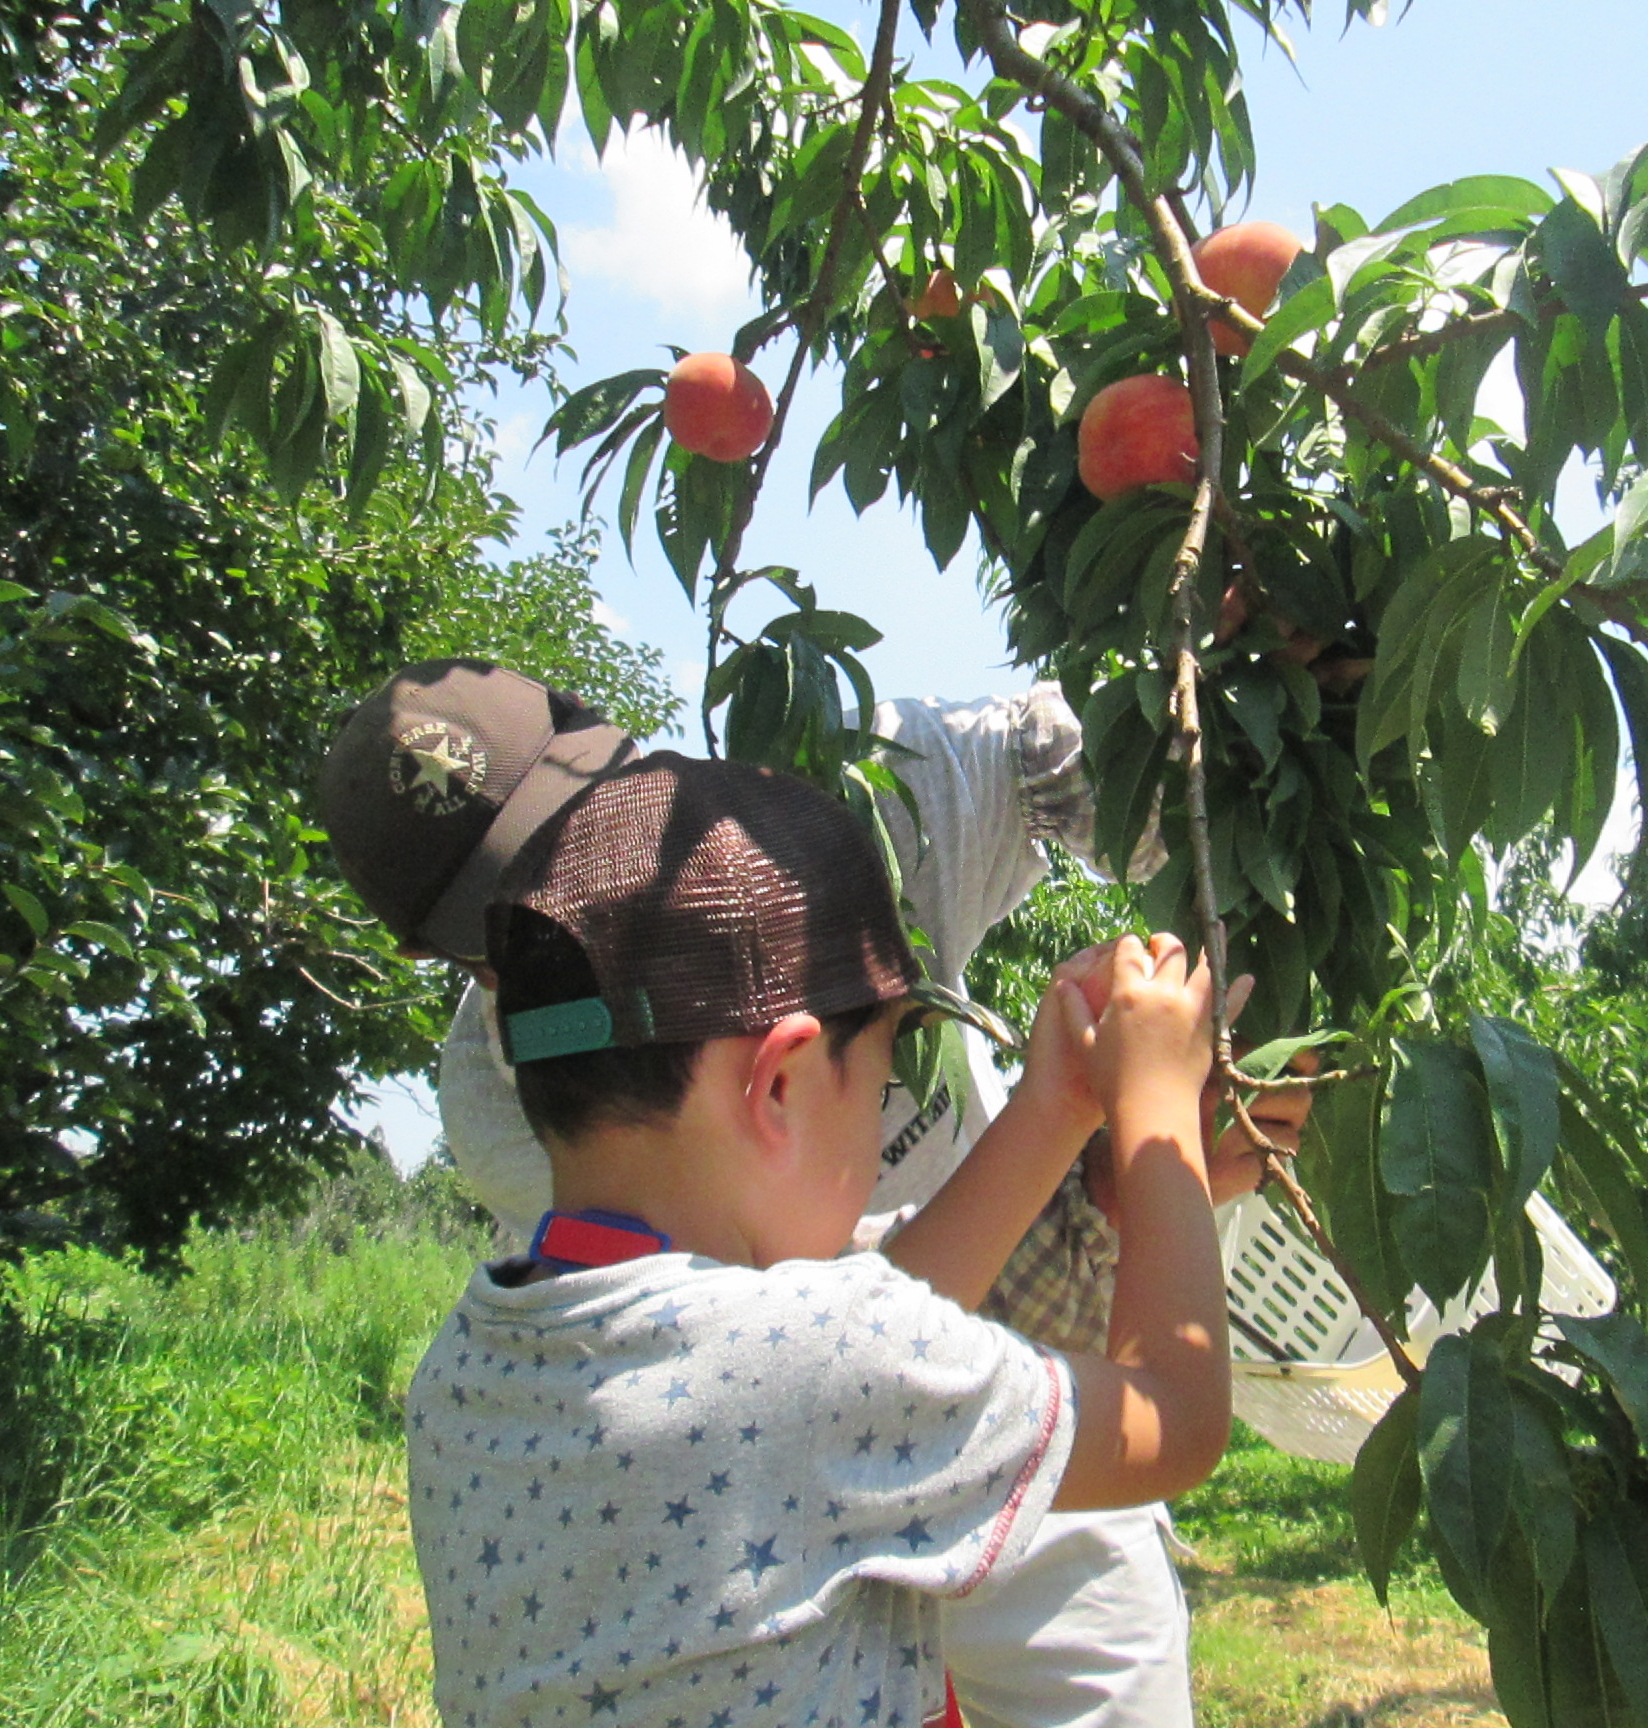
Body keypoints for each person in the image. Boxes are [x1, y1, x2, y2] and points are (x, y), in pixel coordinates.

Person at [321, 661, 1307, 1727]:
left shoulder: (465, 1371)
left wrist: (1056, 1108)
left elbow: (831, 1336)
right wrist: (1158, 1117)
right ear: (781, 1084)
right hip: (997, 1423)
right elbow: (1178, 1417)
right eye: (882, 1070)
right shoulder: (833, 1367)